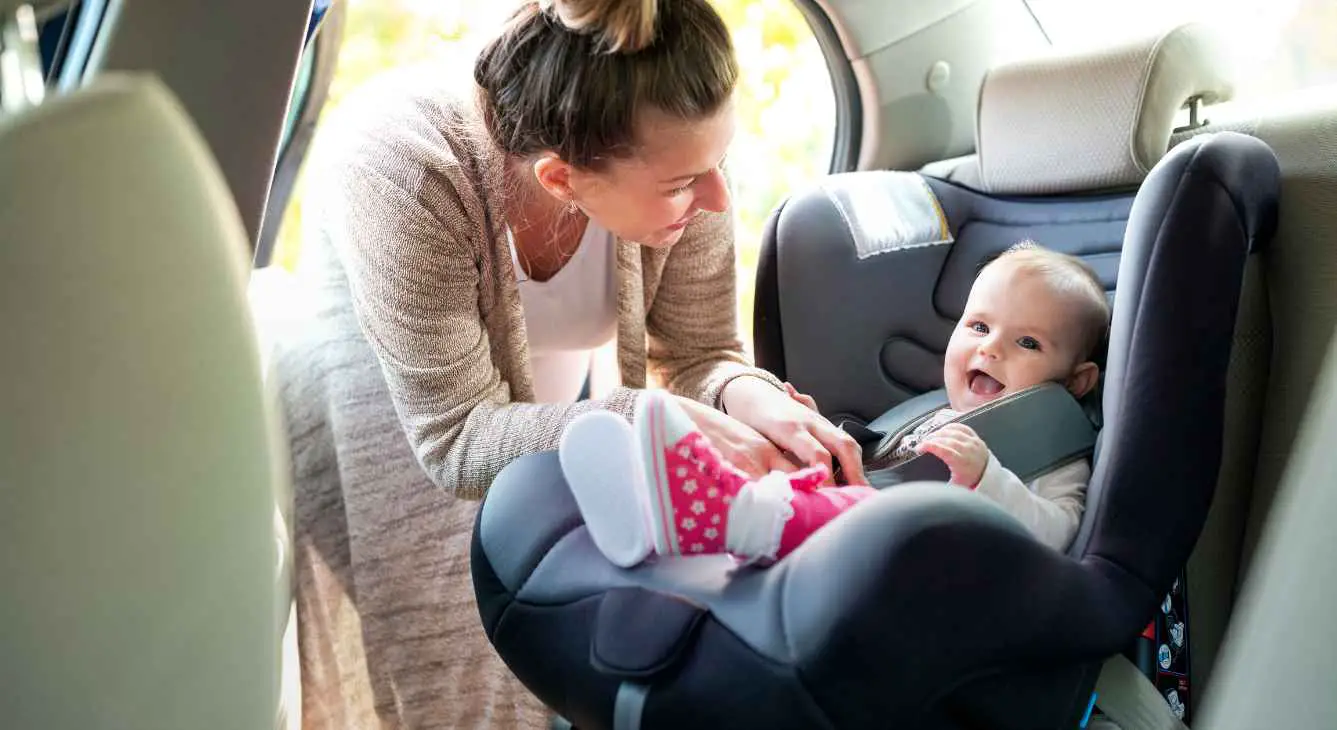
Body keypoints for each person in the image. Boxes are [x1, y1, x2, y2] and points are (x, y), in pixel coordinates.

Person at [289, 0, 864, 726]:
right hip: (384, 409)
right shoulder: (404, 171)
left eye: (716, 164)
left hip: (544, 407)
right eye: (684, 184)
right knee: (446, 673)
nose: (717, 198)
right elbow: (457, 440)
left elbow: (696, 354)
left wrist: (750, 394)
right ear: (560, 179)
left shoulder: (674, 150)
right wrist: (638, 418)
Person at [560, 243, 1110, 567]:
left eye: (1028, 343)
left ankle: (721, 515)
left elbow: (1058, 535)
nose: (990, 348)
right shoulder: (937, 411)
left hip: (922, 560)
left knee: (814, 504)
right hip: (871, 520)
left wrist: (988, 477)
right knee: (785, 459)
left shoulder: (1050, 444)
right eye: (980, 326)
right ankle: (652, 505)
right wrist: (817, 431)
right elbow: (885, 473)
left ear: (1078, 380)